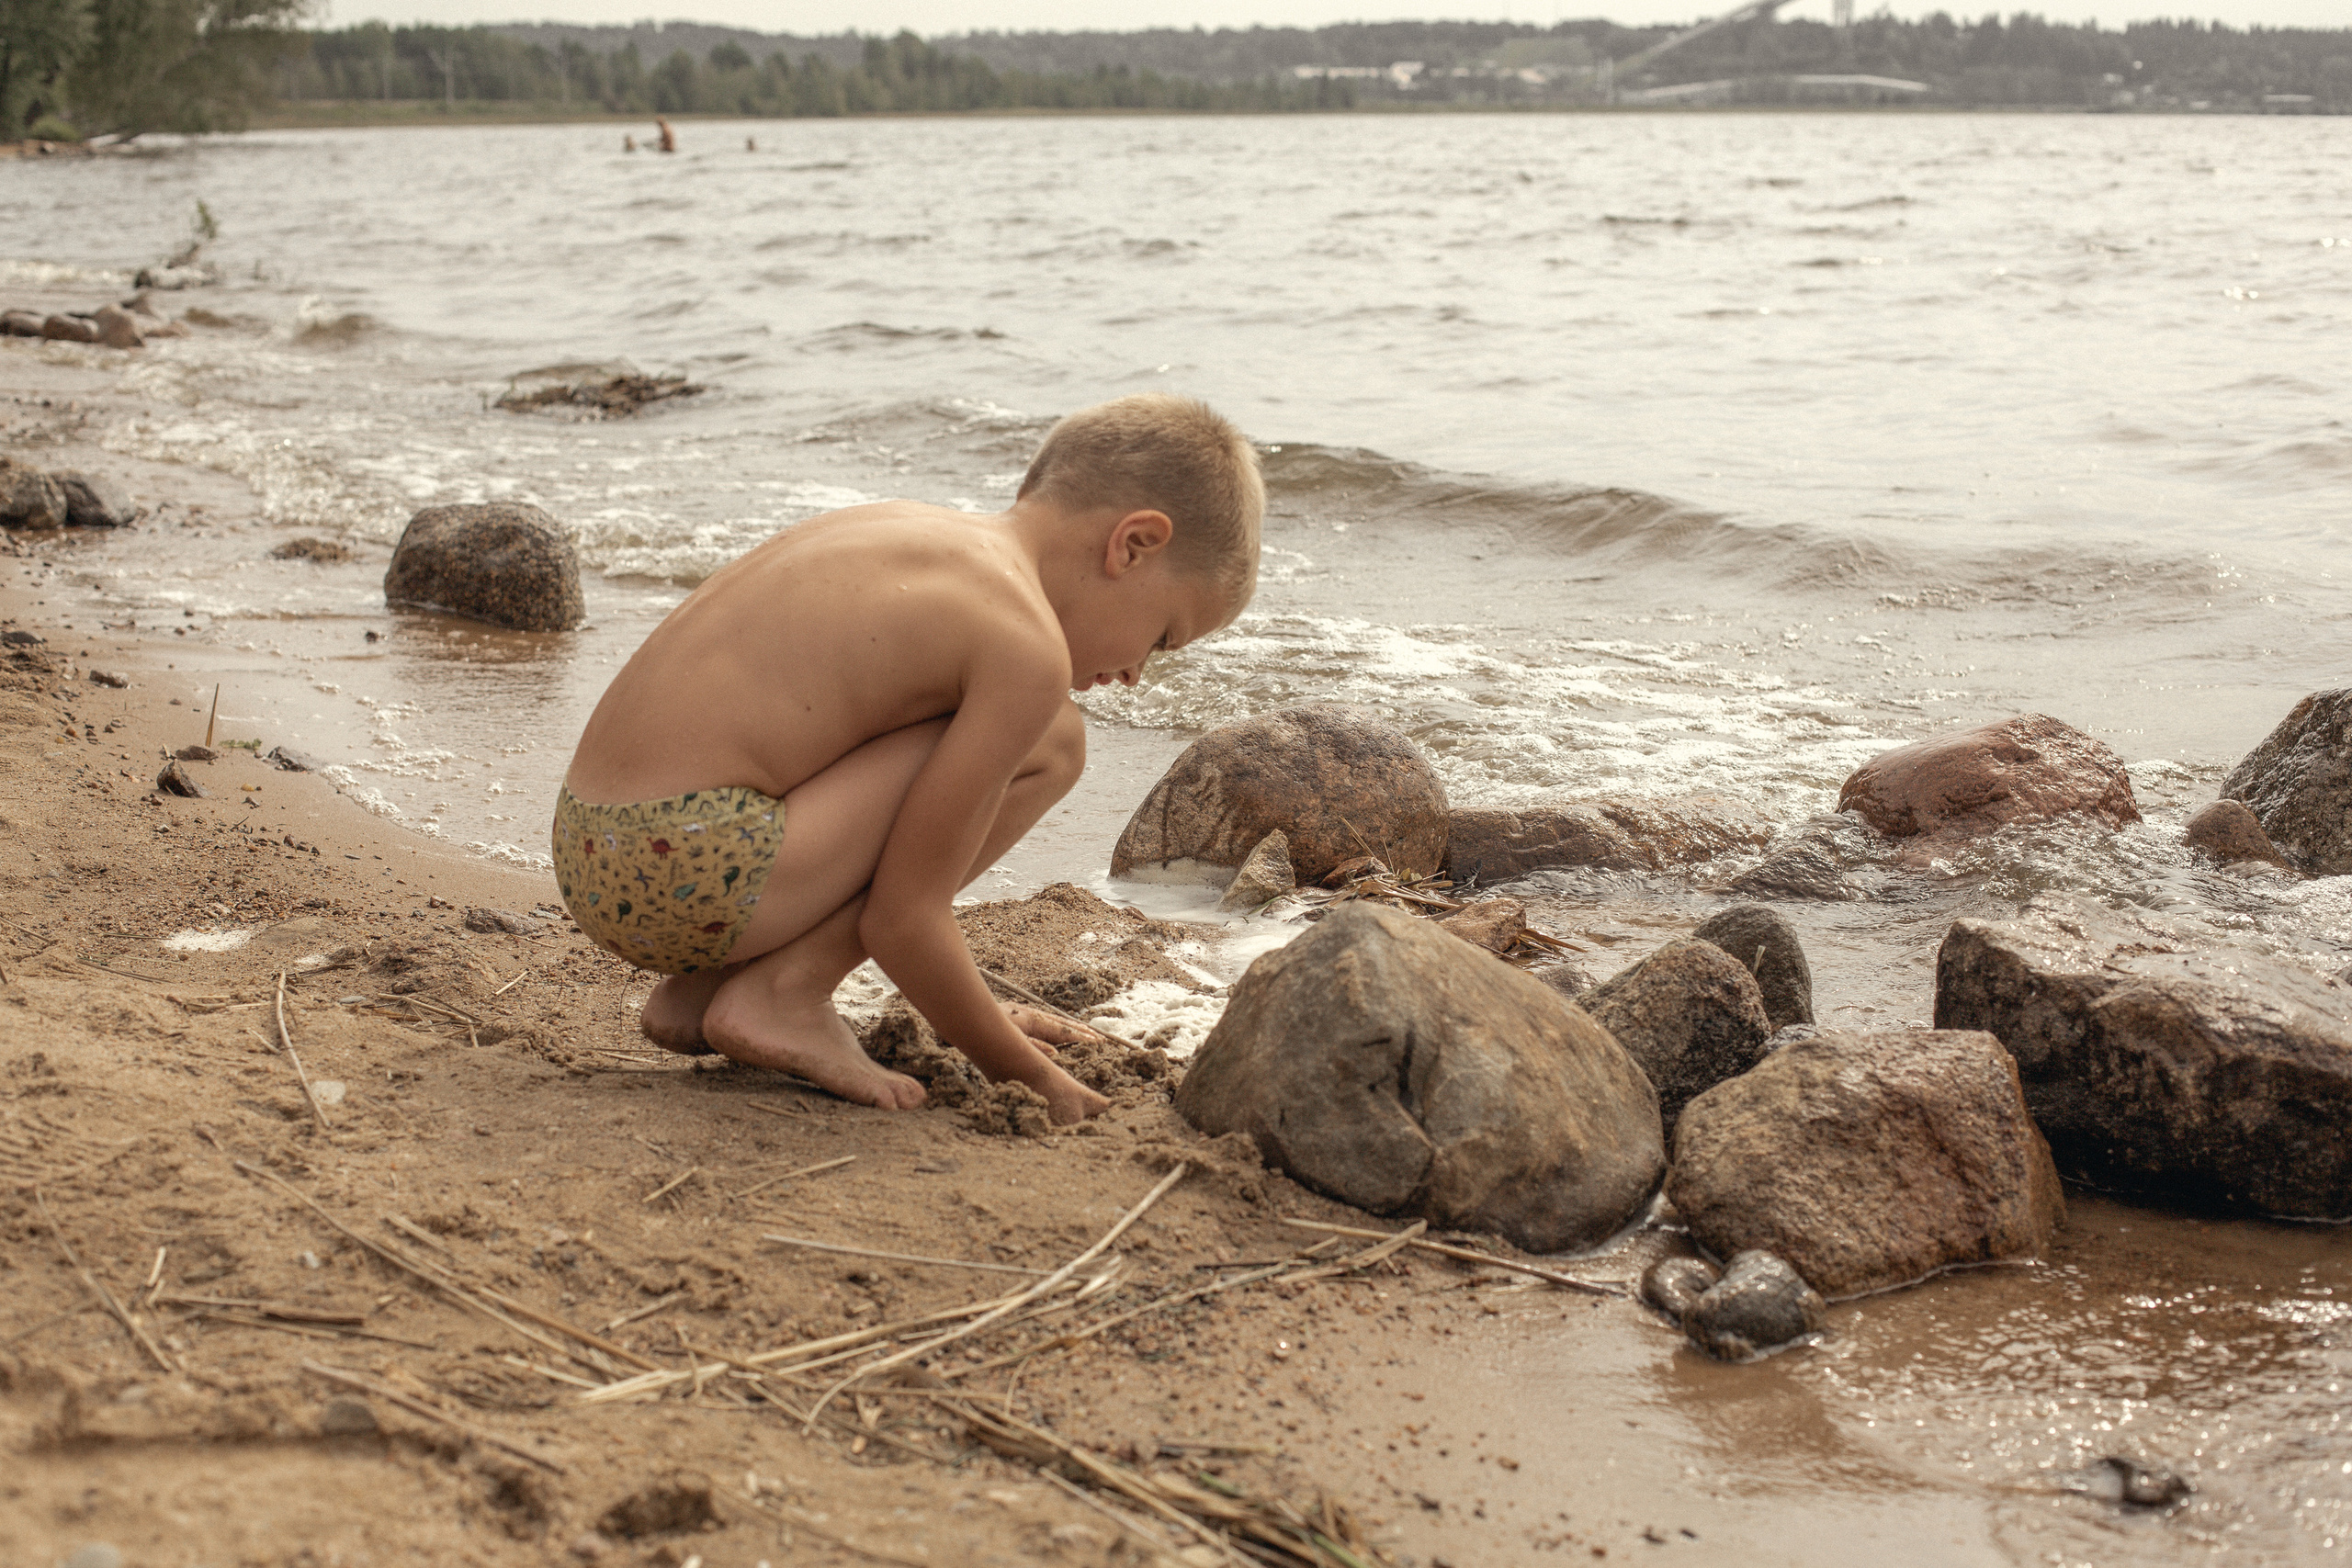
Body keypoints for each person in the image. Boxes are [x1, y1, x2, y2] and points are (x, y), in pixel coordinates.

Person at [554, 394, 1262, 1124]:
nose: (1135, 674)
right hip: (677, 867)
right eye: (1160, 639)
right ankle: (781, 994)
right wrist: (1033, 1078)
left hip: (594, 848)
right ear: (1134, 543)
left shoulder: (922, 537)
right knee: (1055, 741)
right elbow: (902, 920)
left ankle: (707, 987)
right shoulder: (1026, 647)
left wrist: (971, 1012)